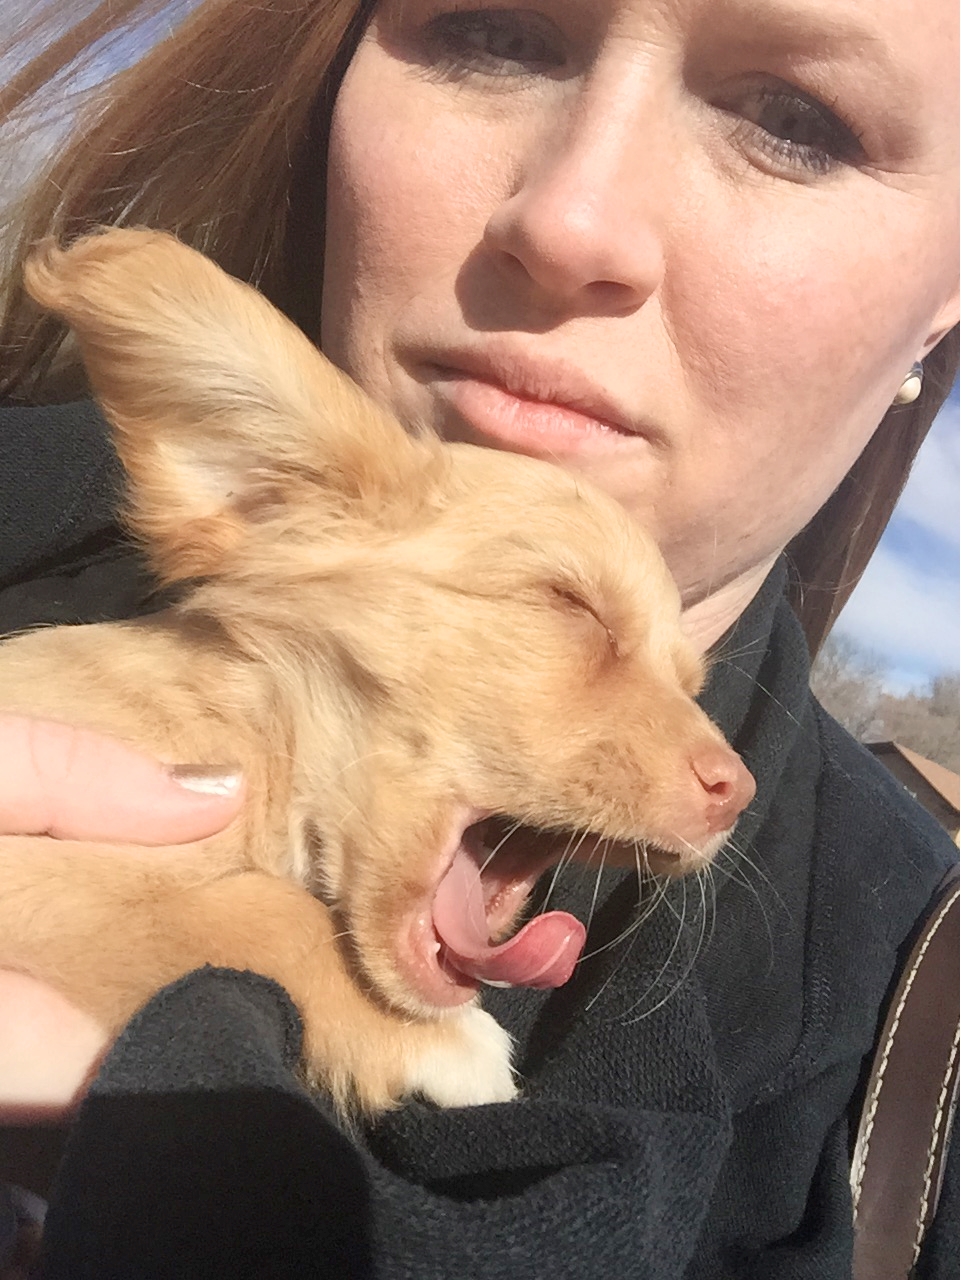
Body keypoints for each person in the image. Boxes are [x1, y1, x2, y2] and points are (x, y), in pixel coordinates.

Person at [0, 0, 957, 1274]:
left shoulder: (914, 1038)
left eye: (797, 121)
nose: (568, 223)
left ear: (947, 297)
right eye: (494, 32)